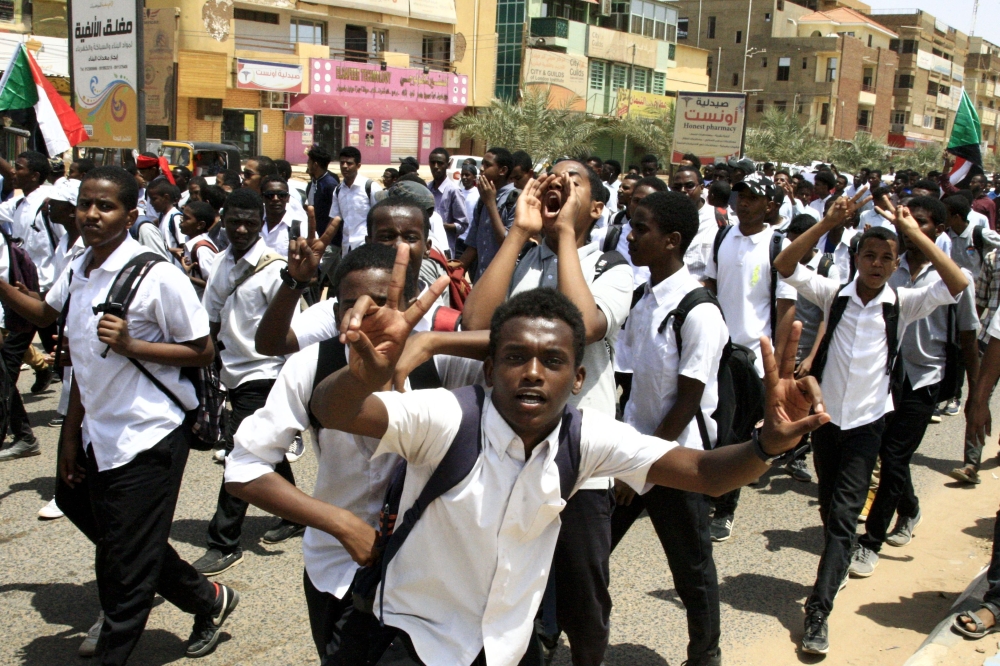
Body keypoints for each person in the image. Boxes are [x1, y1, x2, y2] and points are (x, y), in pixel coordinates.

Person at [301, 270, 828, 666]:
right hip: (417, 643)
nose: (533, 373)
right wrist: (360, 376)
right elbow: (335, 411)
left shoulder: (586, 437)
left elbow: (706, 474)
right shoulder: (447, 417)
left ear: (577, 378)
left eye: (552, 361)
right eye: (515, 358)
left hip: (509, 647)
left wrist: (768, 443)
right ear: (489, 369)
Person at [9, 165, 239, 662]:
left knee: (125, 563)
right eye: (85, 204)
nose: (91, 214)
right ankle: (208, 597)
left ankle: (117, 643)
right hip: (97, 431)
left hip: (149, 433)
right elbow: (79, 357)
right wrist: (70, 435)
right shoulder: (79, 268)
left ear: (131, 214)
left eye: (105, 206)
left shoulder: (157, 275)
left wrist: (134, 344)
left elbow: (202, 350)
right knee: (99, 521)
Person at [225, 242, 482, 664]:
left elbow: (524, 350)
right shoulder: (314, 364)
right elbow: (243, 467)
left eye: (382, 303)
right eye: (351, 304)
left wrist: (433, 340)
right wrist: (341, 524)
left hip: (429, 573)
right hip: (338, 569)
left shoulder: (438, 362)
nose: (366, 316)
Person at [774, 197, 970, 656]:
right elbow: (785, 264)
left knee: (843, 518)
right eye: (869, 255)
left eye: (887, 258)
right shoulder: (834, 294)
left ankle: (818, 611)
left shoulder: (904, 303)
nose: (877, 264)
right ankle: (835, 568)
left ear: (897, 263)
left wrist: (916, 233)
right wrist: (829, 221)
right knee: (829, 511)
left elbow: (957, 282)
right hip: (826, 423)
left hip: (867, 426)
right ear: (855, 259)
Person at [461, 161, 633, 665]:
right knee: (506, 587)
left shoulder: (609, 265)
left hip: (579, 465)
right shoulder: (523, 258)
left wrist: (564, 238)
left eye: (574, 180)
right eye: (552, 175)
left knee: (583, 599)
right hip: (508, 453)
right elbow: (477, 323)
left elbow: (584, 323)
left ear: (597, 207)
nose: (558, 182)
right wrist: (519, 231)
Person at [611, 190, 727, 666]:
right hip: (631, 454)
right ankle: (548, 633)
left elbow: (686, 401)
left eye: (641, 228)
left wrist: (644, 467)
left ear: (672, 241)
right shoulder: (642, 299)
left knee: (692, 569)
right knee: (587, 551)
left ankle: (705, 655)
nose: (631, 236)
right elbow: (631, 384)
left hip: (676, 462)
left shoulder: (698, 311)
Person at [847, 196, 979, 579]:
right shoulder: (889, 266)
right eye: (908, 222)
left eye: (920, 223)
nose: (911, 228)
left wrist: (973, 395)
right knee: (884, 455)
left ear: (938, 229)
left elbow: (968, 337)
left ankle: (870, 542)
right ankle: (909, 507)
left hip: (924, 379)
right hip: (886, 377)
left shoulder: (948, 273)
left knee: (894, 457)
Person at [192, 188, 304, 577]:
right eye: (234, 221)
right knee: (263, 448)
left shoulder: (275, 271)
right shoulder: (221, 263)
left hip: (265, 374)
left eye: (250, 223)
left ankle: (222, 542)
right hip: (231, 373)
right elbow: (209, 319)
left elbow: (295, 330)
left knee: (241, 453)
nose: (241, 229)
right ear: (222, 220)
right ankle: (294, 512)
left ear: (261, 224)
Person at [702, 171, 798, 542]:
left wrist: (779, 362)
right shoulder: (723, 236)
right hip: (717, 350)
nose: (743, 202)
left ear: (770, 205)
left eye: (753, 197)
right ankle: (707, 488)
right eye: (740, 195)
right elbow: (711, 284)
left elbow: (785, 306)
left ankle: (725, 509)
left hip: (754, 359)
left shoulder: (778, 244)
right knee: (713, 423)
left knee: (738, 433)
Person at [0, 151, 55, 457]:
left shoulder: (50, 204)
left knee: (5, 369)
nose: (13, 174)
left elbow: (68, 249)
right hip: (23, 297)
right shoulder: (21, 203)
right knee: (4, 369)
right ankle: (23, 433)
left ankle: (23, 436)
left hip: (45, 297)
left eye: (18, 169)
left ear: (34, 175)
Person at [457, 147, 518, 281]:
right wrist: (456, 272)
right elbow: (473, 244)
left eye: (488, 165)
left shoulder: (515, 200)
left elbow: (508, 244)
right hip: (481, 280)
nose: (482, 169)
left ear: (503, 171)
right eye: (482, 164)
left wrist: (491, 204)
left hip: (505, 283)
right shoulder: (482, 200)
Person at [671, 166, 723, 280]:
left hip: (703, 293)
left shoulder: (719, 218)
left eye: (689, 186)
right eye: (677, 187)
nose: (683, 190)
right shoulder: (665, 217)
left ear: (702, 188)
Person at [329, 146, 381, 256]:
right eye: (342, 163)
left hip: (366, 245)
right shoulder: (338, 191)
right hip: (346, 247)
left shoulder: (370, 187)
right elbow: (335, 220)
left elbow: (381, 217)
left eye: (349, 163)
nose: (344, 166)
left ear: (358, 166)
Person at [427, 147, 469, 257]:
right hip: (427, 248)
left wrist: (439, 225)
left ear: (448, 165)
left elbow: (462, 225)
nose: (436, 167)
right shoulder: (427, 189)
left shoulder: (453, 191)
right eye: (433, 163)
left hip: (445, 251)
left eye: (440, 163)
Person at [179, 200, 220, 295]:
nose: (181, 221)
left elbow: (213, 284)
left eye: (186, 218)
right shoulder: (191, 243)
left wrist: (186, 276)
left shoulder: (202, 249)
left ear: (200, 225)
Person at [261, 175, 306, 259]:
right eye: (270, 195)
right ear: (262, 198)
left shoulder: (299, 228)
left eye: (281, 195)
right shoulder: (253, 225)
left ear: (288, 198)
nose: (275, 199)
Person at [146, 179, 186, 267]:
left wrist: (164, 249)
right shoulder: (162, 216)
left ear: (166, 197)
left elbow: (184, 249)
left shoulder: (175, 218)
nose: (151, 203)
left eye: (154, 199)